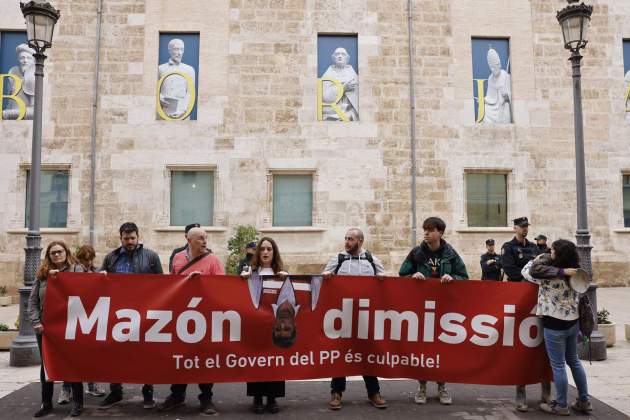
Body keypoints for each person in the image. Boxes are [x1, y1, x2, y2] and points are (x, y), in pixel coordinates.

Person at [399, 217, 468, 406]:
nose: (426, 233)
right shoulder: (416, 253)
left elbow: (464, 276)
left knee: (441, 350)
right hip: (421, 309)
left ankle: (442, 388)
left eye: (430, 230)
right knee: (423, 349)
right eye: (425, 230)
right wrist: (413, 275)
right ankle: (421, 387)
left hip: (444, 310)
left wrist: (452, 277)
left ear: (440, 232)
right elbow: (401, 275)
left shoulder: (450, 254)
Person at [522, 240, 592, 415]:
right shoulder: (577, 273)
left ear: (557, 255)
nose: (549, 253)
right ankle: (584, 400)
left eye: (552, 251)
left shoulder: (546, 275)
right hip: (573, 323)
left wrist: (537, 258)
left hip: (554, 324)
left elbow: (527, 271)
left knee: (558, 365)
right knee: (574, 362)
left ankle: (561, 405)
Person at [99, 222, 163, 410]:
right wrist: (100, 276)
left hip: (144, 313)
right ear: (121, 238)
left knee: (145, 353)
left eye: (133, 238)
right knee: (115, 353)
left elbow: (161, 283)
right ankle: (115, 391)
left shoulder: (151, 256)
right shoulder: (111, 258)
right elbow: (101, 282)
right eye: (126, 239)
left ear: (138, 236)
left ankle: (148, 392)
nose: (130, 242)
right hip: (117, 314)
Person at [321, 228, 387, 410]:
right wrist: (326, 277)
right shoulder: (338, 259)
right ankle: (336, 392)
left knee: (367, 355)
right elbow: (323, 280)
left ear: (360, 241)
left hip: (366, 317)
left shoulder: (372, 259)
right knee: (341, 354)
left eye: (350, 239)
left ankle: (374, 392)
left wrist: (382, 278)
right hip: (342, 316)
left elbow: (386, 283)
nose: (347, 242)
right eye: (346, 239)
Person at [159, 227, 223, 414]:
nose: (204, 241)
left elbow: (221, 288)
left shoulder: (213, 261)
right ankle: (177, 395)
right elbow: (172, 283)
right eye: (200, 238)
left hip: (205, 316)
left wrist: (203, 283)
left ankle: (206, 399)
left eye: (206, 238)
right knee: (181, 357)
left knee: (203, 359)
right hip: (182, 315)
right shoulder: (178, 258)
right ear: (189, 240)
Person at [27, 241, 84, 417]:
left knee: (72, 363)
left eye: (59, 251)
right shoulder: (43, 274)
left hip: (70, 326)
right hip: (46, 327)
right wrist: (36, 321)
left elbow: (88, 289)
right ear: (48, 256)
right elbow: (33, 300)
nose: (57, 255)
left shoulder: (77, 270)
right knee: (46, 365)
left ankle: (78, 403)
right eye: (53, 253)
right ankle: (46, 403)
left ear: (66, 252)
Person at [500, 217, 550, 411]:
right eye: (521, 226)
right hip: (519, 301)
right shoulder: (508, 247)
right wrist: (528, 281)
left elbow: (543, 266)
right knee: (521, 349)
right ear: (515, 228)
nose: (525, 229)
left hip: (538, 301)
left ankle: (546, 394)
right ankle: (520, 394)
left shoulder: (534, 248)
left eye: (526, 226)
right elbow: (511, 270)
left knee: (544, 348)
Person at [240, 237, 289, 414]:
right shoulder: (249, 271)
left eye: (269, 249)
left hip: (275, 325)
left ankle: (272, 398)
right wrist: (242, 280)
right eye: (263, 249)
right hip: (254, 325)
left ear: (274, 252)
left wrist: (287, 279)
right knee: (256, 361)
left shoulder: (281, 273)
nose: (266, 252)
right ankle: (257, 397)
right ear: (258, 252)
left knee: (274, 361)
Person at [56, 245, 106, 403]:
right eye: (85, 259)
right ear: (79, 258)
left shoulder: (95, 271)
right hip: (74, 317)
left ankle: (92, 384)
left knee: (91, 354)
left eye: (90, 258)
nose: (88, 262)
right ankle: (66, 389)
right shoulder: (71, 271)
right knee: (71, 356)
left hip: (91, 317)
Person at [158, 38, 196, 119]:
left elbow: (190, 93)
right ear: (169, 50)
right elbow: (154, 90)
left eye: (182, 49)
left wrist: (183, 110)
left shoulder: (189, 70)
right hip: (163, 112)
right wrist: (160, 98)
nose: (179, 53)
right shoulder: (160, 69)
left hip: (183, 113)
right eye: (176, 49)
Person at [321, 47, 359, 121]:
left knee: (350, 114)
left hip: (348, 108)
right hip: (332, 109)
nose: (340, 56)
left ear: (347, 58)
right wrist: (343, 88)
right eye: (337, 54)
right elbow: (324, 96)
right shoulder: (329, 73)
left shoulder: (352, 73)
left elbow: (357, 95)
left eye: (343, 54)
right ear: (333, 58)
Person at [2, 43, 35, 120]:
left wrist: (6, 114)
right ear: (18, 59)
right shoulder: (13, 73)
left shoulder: (33, 77)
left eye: (28, 58)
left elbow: (34, 112)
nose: (25, 61)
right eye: (22, 58)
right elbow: (10, 103)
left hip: (26, 124)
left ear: (33, 61)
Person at [481, 47, 512, 124]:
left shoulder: (506, 76)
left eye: (495, 66)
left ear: (499, 65)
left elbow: (512, 95)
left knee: (506, 108)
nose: (493, 69)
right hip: (494, 106)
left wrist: (507, 96)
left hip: (503, 104)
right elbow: (490, 96)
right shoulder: (490, 78)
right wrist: (485, 99)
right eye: (491, 67)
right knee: (486, 108)